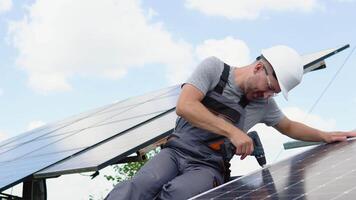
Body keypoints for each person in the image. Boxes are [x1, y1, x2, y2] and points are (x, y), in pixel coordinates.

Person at [105, 45, 356, 200]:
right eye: (269, 87)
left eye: (274, 94)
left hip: (207, 167)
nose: (268, 96)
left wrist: (326, 135)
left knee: (180, 194)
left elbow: (289, 126)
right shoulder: (214, 70)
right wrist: (233, 132)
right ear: (258, 67)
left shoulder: (264, 105)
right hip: (176, 152)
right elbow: (186, 105)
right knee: (137, 188)